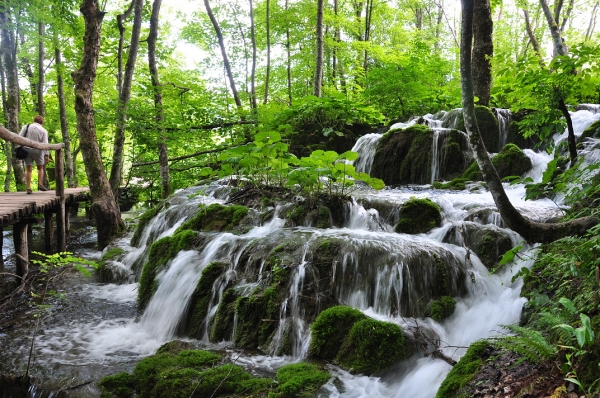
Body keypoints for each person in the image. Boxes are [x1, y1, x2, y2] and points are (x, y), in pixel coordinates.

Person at [19, 115, 50, 194]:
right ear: (42, 122)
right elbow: (45, 143)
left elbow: (20, 137)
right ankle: (40, 184)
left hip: (26, 150)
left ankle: (28, 187)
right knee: (40, 168)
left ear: (34, 120)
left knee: (28, 169)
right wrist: (47, 155)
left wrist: (20, 147)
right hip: (38, 151)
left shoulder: (26, 127)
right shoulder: (43, 130)